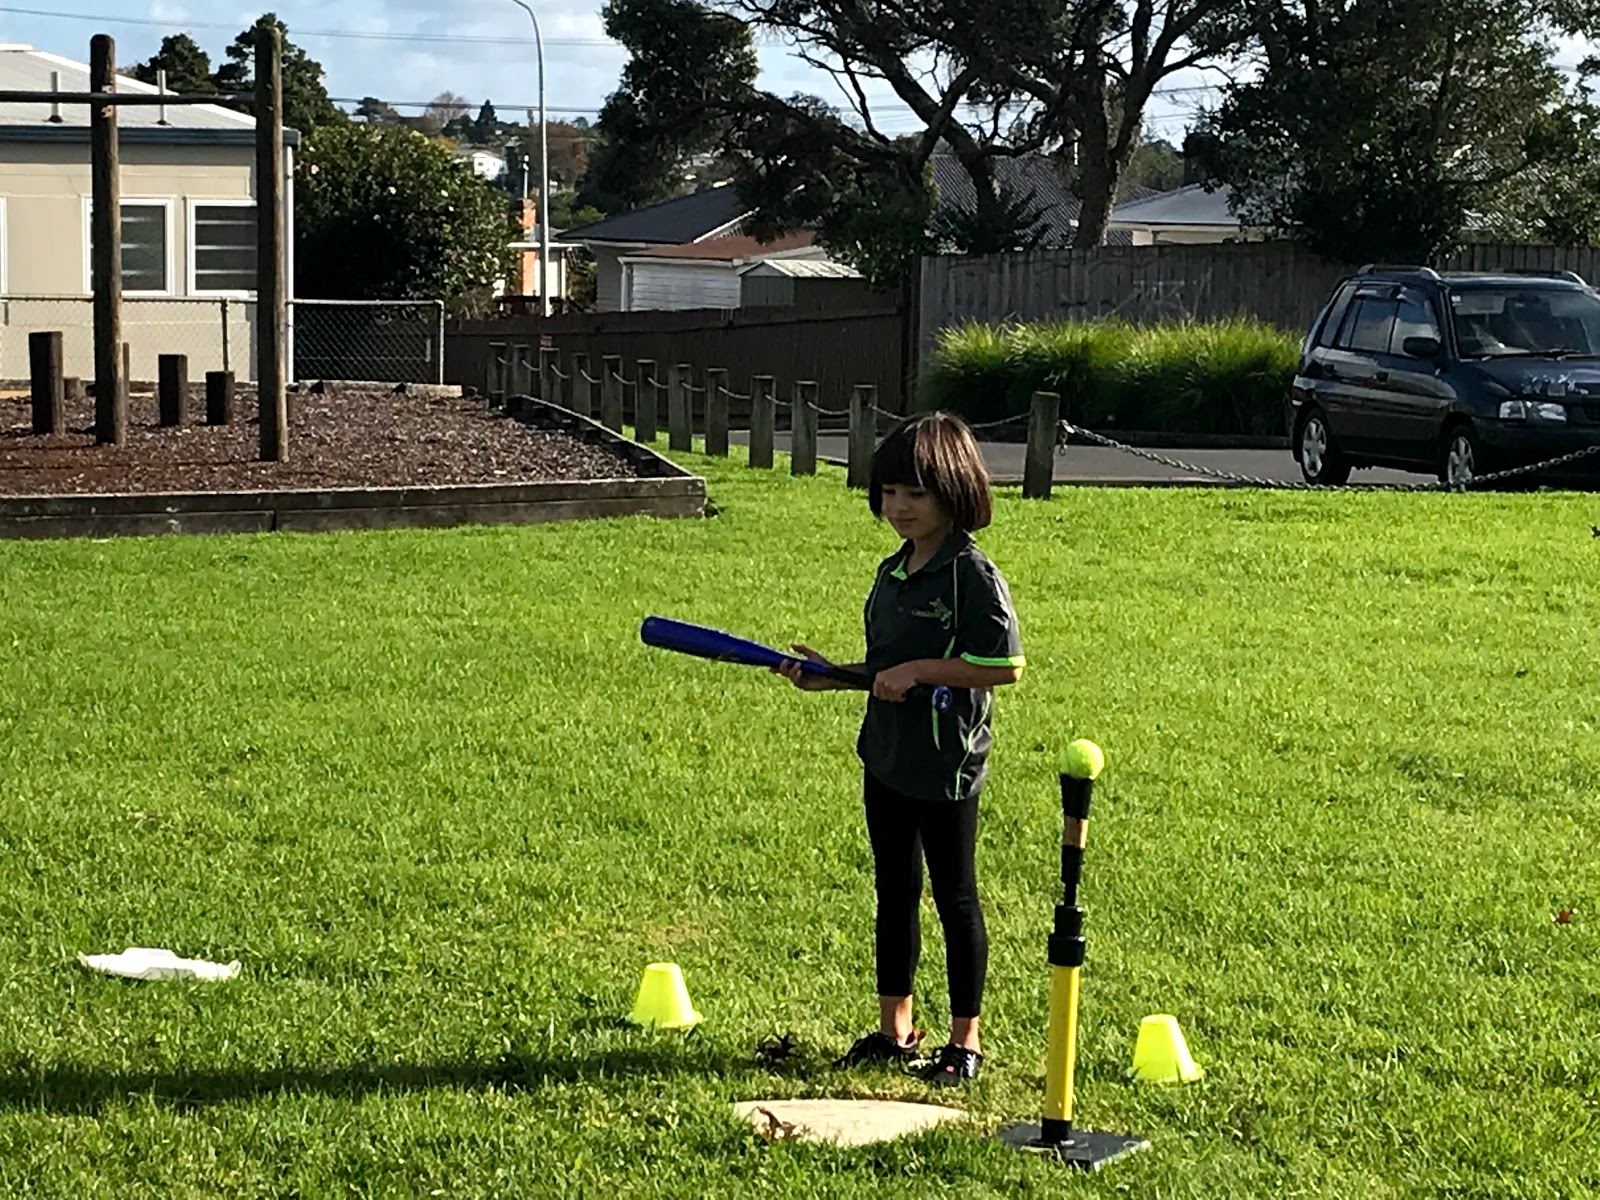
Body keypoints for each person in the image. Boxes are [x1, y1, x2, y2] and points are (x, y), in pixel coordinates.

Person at [774, 411, 1025, 1087]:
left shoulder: (970, 575)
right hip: (885, 756)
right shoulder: (892, 572)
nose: (899, 507)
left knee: (955, 897)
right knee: (894, 891)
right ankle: (896, 1030)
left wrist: (920, 671)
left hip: (946, 764)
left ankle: (965, 1041)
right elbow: (882, 671)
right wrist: (830, 677)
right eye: (888, 492)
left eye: (915, 493)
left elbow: (1003, 666)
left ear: (955, 490)